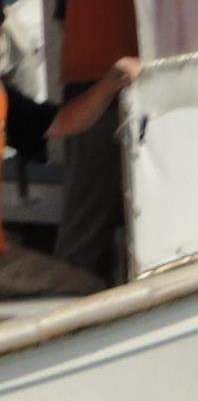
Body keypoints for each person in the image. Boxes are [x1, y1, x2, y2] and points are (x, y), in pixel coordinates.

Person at [53, 0, 162, 283]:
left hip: (90, 93)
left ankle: (69, 310)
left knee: (83, 231)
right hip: (163, 90)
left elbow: (64, 19)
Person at [0, 56, 141, 297]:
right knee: (90, 292)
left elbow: (63, 122)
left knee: (90, 289)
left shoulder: (5, 99)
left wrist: (109, 85)